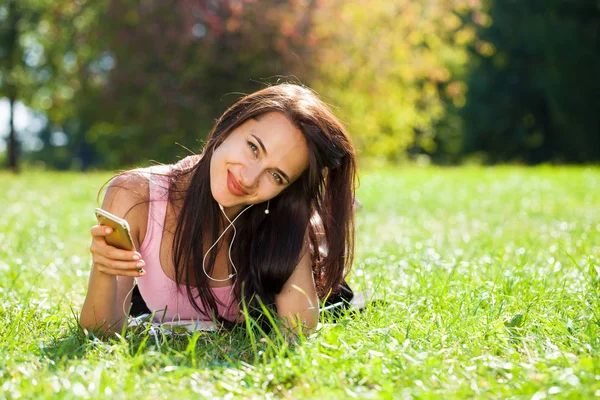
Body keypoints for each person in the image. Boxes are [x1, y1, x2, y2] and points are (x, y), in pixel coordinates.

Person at [79, 83, 357, 335]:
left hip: (274, 276)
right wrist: (104, 270)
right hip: (154, 304)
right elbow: (100, 332)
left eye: (276, 176)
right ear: (230, 124)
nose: (247, 179)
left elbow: (298, 332)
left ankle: (325, 220)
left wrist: (297, 228)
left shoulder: (282, 220)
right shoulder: (134, 196)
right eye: (253, 148)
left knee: (332, 278)